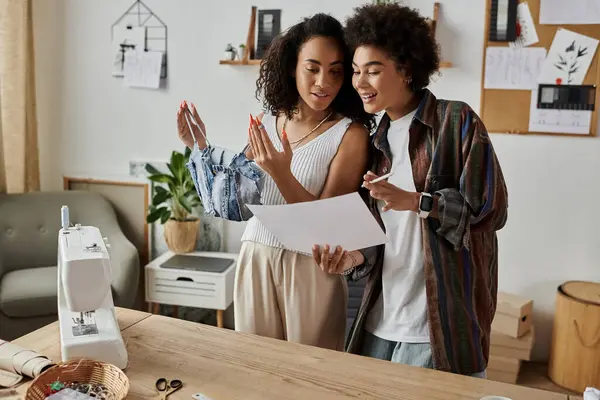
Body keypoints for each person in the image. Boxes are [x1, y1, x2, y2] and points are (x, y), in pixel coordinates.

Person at [312, 3, 508, 377]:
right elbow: (379, 240)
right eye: (355, 71)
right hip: (379, 319)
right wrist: (351, 259)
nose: (359, 82)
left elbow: (491, 210)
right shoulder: (374, 141)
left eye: (373, 70)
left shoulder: (456, 121)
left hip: (437, 327)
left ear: (405, 70)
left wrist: (418, 202)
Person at [177, 13, 375, 351]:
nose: (323, 81)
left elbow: (327, 225)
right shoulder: (268, 123)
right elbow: (231, 203)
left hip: (311, 269)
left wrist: (282, 173)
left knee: (311, 376)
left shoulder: (351, 134)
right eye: (312, 68)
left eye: (335, 71)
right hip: (255, 255)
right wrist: (199, 148)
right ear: (291, 68)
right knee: (255, 372)